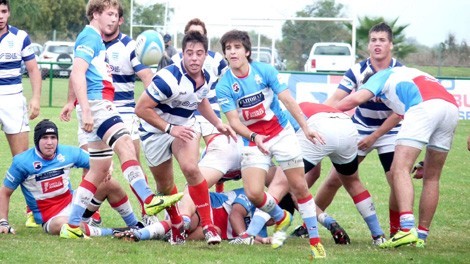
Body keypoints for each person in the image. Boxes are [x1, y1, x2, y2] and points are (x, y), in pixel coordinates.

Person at [58, 0, 182, 239]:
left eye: (116, 15)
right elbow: (77, 72)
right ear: (95, 14)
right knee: (125, 145)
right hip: (98, 103)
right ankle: (149, 199)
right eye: (109, 14)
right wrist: (84, 108)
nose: (113, 19)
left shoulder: (95, 38)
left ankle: (73, 226)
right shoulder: (90, 37)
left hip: (96, 104)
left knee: (99, 169)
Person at [215, 29, 326, 259]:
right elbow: (234, 121)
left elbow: (287, 98)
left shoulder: (264, 71)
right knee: (254, 193)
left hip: (281, 134)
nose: (232, 51)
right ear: (225, 54)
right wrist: (255, 138)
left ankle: (315, 242)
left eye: (237, 47)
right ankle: (281, 216)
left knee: (299, 188)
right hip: (253, 140)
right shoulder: (224, 85)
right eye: (228, 48)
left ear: (247, 51)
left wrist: (305, 127)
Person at [334, 66, 459, 249]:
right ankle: (421, 237)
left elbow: (353, 99)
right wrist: (425, 161)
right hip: (450, 107)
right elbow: (408, 114)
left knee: (399, 169)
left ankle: (407, 229)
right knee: (432, 177)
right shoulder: (409, 74)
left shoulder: (382, 76)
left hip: (424, 106)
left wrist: (321, 111)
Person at [135, 30, 236, 245]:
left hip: (185, 127)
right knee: (165, 187)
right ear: (182, 54)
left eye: (199, 53)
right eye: (189, 53)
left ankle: (209, 226)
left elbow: (200, 101)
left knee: (191, 168)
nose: (194, 58)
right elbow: (141, 108)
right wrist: (170, 128)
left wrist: (218, 124)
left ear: (206, 55)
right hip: (154, 133)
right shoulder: (167, 78)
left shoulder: (205, 77)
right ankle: (177, 225)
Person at [315, 22, 403, 238]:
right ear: (369, 44)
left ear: (391, 44)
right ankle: (310, 223)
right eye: (373, 40)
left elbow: (399, 113)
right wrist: (315, 116)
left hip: (390, 132)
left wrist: (375, 137)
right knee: (335, 178)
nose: (377, 44)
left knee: (396, 179)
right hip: (360, 128)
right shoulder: (357, 70)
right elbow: (337, 99)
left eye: (382, 40)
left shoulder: (399, 71)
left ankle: (396, 231)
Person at [0, 119, 144, 237]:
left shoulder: (67, 153)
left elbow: (98, 161)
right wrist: (3, 222)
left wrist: (109, 167)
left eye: (53, 137)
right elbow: (5, 192)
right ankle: (114, 232)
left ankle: (135, 226)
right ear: (37, 140)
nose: (50, 142)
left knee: (109, 183)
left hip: (75, 205)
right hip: (52, 219)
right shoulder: (22, 162)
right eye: (44, 138)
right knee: (65, 224)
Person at [291, 102, 386, 245]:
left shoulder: (285, 113)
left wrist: (294, 189)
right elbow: (314, 172)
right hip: (347, 125)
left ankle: (254, 233)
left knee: (284, 184)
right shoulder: (307, 106)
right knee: (353, 182)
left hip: (320, 128)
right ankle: (378, 235)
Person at [171, 18, 229, 192]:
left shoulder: (217, 58)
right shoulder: (177, 59)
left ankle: (218, 194)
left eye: (199, 34)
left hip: (211, 112)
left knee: (220, 153)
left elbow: (227, 80)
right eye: (191, 34)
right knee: (192, 162)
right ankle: (193, 197)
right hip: (189, 114)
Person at [0, 0, 42, 228]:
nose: (1, 16)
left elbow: (34, 69)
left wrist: (35, 98)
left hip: (13, 101)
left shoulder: (20, 37)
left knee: (23, 160)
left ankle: (32, 211)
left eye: (4, 11)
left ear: (9, 13)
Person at [114, 188, 272, 244]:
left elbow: (251, 243)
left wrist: (263, 240)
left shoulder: (261, 229)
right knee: (189, 221)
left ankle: (170, 236)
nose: (271, 219)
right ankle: (140, 233)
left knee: (213, 230)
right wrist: (248, 237)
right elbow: (236, 215)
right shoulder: (254, 195)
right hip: (202, 206)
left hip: (211, 230)